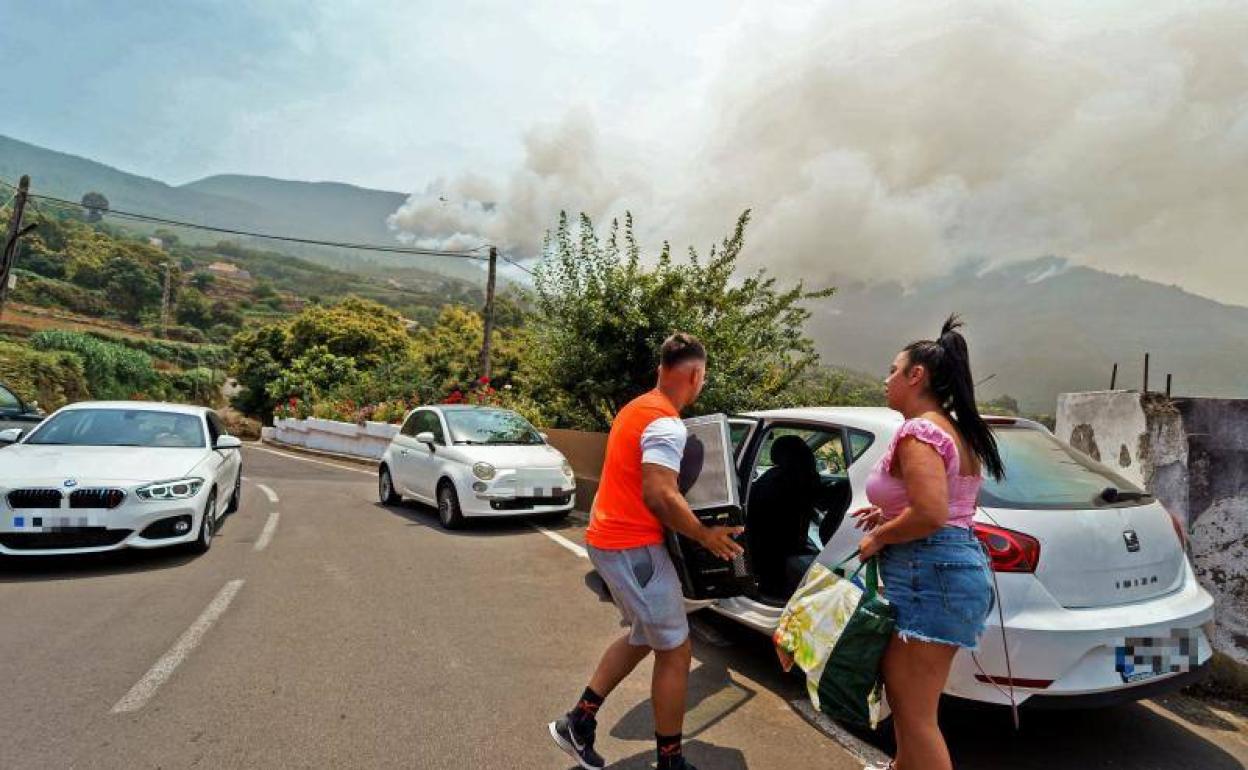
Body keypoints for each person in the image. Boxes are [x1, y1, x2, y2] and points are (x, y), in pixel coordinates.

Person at [548, 333, 744, 770]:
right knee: (675, 650)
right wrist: (705, 535)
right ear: (696, 375)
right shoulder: (666, 424)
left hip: (610, 540)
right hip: (632, 548)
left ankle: (577, 722)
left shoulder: (637, 408)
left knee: (644, 636)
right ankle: (670, 761)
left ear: (661, 369)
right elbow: (659, 494)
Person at [853, 316, 1005, 770]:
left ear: (915, 375)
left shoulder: (919, 431)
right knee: (910, 707)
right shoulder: (955, 430)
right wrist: (891, 514)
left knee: (916, 715)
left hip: (929, 575)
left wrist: (879, 536)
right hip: (944, 572)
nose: (886, 380)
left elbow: (932, 513)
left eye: (892, 370)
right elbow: (947, 504)